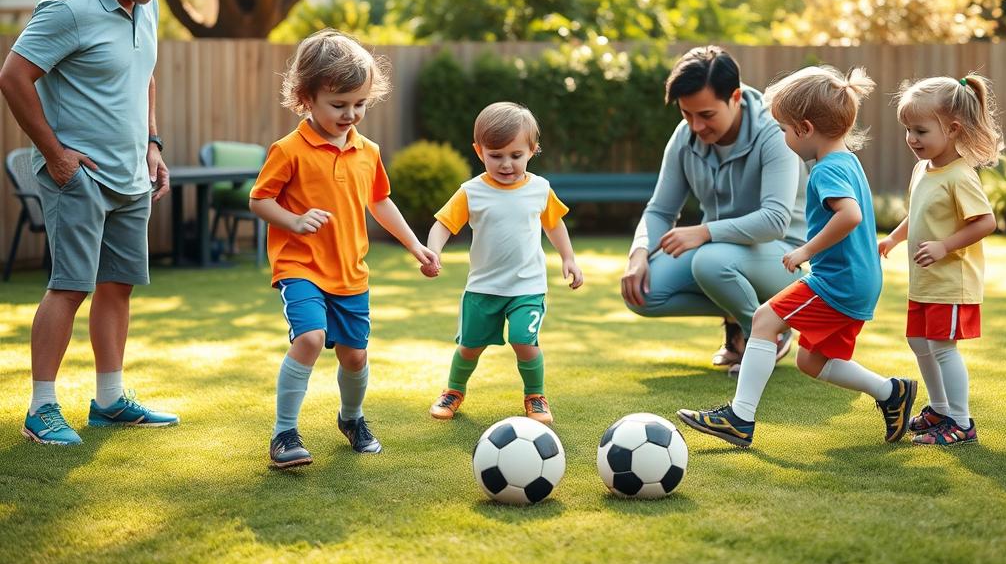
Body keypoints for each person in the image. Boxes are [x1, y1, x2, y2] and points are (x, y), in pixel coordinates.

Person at [0, 0, 188, 445]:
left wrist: (152, 143)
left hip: (132, 174)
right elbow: (14, 78)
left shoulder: (144, 3)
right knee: (70, 286)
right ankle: (41, 409)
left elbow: (144, 74)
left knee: (117, 286)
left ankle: (109, 400)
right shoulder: (68, 7)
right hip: (77, 175)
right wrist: (56, 155)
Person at [677, 65, 917, 448]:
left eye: (785, 129)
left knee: (763, 318)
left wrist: (805, 250)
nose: (784, 137)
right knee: (810, 361)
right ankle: (891, 392)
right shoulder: (847, 161)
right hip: (859, 282)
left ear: (804, 129)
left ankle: (739, 418)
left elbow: (850, 215)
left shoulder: (824, 171)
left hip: (837, 281)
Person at [250, 30, 438, 469]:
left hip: (350, 272)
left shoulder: (367, 151)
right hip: (301, 266)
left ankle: (351, 419)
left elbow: (380, 201)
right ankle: (284, 433)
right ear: (306, 97)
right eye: (339, 104)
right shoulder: (289, 150)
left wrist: (414, 244)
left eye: (360, 104)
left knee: (355, 355)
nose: (351, 114)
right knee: (311, 338)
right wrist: (294, 221)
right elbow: (259, 199)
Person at [619, 46, 807, 375]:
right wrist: (638, 254)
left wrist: (704, 232)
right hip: (721, 256)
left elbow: (775, 220)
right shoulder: (684, 138)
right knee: (642, 293)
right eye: (686, 114)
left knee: (710, 261)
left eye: (706, 115)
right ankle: (743, 315)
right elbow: (661, 210)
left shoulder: (774, 132)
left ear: (734, 97)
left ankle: (765, 336)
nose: (695, 126)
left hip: (785, 258)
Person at [421, 102, 583, 425]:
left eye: (516, 155)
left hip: (528, 287)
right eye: (496, 155)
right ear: (479, 151)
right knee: (469, 348)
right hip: (483, 288)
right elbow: (442, 224)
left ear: (532, 150)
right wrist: (433, 251)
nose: (506, 164)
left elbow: (554, 224)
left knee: (524, 340)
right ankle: (453, 390)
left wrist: (569, 258)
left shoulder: (540, 189)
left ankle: (535, 396)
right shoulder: (472, 192)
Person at [878, 74, 1001, 446]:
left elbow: (986, 222)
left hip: (951, 280)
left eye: (920, 130)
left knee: (942, 347)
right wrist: (895, 238)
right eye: (907, 130)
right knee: (919, 341)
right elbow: (917, 214)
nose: (912, 139)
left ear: (952, 129)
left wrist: (945, 247)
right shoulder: (923, 168)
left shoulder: (960, 175)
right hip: (924, 280)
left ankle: (961, 422)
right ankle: (940, 407)